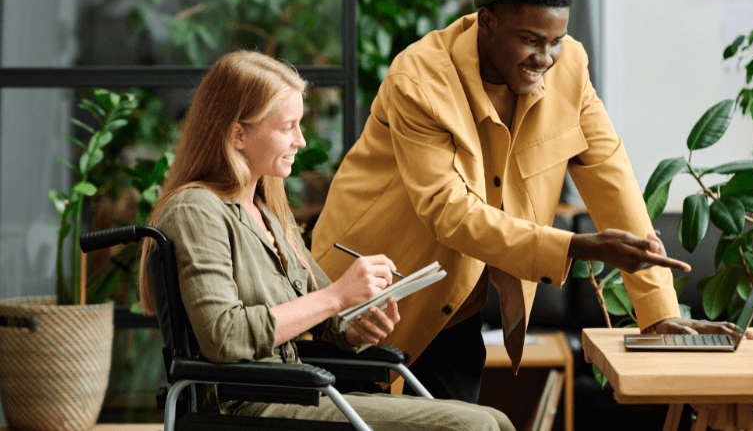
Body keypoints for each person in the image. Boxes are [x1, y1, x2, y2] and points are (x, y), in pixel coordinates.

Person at [311, 0, 753, 403]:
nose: (545, 57)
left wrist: (658, 312)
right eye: (530, 40)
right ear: (487, 21)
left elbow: (610, 178)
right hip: (359, 301)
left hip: (452, 307)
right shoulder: (420, 81)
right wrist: (576, 246)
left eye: (555, 41)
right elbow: (448, 211)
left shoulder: (571, 70)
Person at [136, 50, 515, 431]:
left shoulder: (268, 213)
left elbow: (328, 314)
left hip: (297, 392)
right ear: (238, 134)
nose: (300, 140)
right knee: (475, 426)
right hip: (252, 405)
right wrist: (337, 296)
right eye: (288, 127)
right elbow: (224, 336)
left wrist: (354, 326)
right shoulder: (196, 210)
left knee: (497, 420)